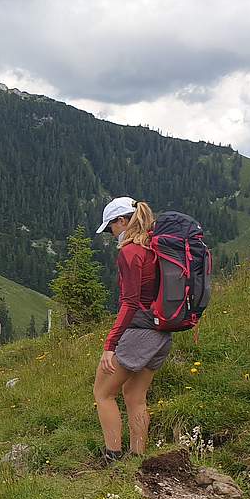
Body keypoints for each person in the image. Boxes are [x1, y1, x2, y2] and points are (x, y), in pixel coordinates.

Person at [92, 197, 172, 462]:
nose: (110, 233)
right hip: (162, 331)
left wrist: (110, 344)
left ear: (122, 221)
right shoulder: (154, 246)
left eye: (111, 227)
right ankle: (137, 459)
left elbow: (129, 302)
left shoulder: (130, 252)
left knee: (103, 393)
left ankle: (112, 456)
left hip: (140, 331)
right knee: (135, 396)